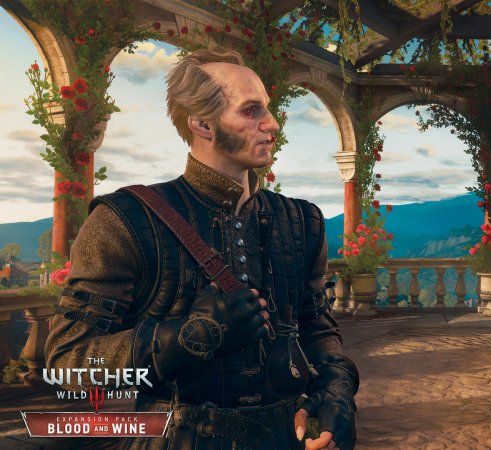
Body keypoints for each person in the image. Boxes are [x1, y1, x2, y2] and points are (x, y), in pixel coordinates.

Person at [45, 48, 359, 450]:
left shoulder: (301, 221)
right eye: (251, 111)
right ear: (202, 124)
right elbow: (67, 362)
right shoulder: (125, 219)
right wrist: (188, 336)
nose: (272, 124)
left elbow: (316, 328)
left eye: (267, 108)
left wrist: (336, 392)